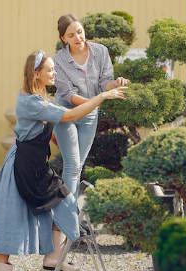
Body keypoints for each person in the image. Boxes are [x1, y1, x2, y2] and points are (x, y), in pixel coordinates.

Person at [0, 50, 126, 271]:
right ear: (36, 74)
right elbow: (71, 116)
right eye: (50, 70)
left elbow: (62, 109)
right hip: (20, 168)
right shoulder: (32, 101)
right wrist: (102, 96)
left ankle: (53, 257)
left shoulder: (38, 94)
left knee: (62, 196)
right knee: (10, 224)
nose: (55, 73)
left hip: (34, 166)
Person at [53, 13, 129, 201]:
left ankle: (68, 213)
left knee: (78, 165)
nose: (77, 38)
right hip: (66, 113)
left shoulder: (101, 51)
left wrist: (115, 83)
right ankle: (68, 219)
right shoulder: (58, 61)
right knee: (71, 165)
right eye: (71, 36)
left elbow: (104, 82)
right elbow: (69, 95)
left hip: (89, 114)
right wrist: (98, 100)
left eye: (80, 32)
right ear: (63, 38)